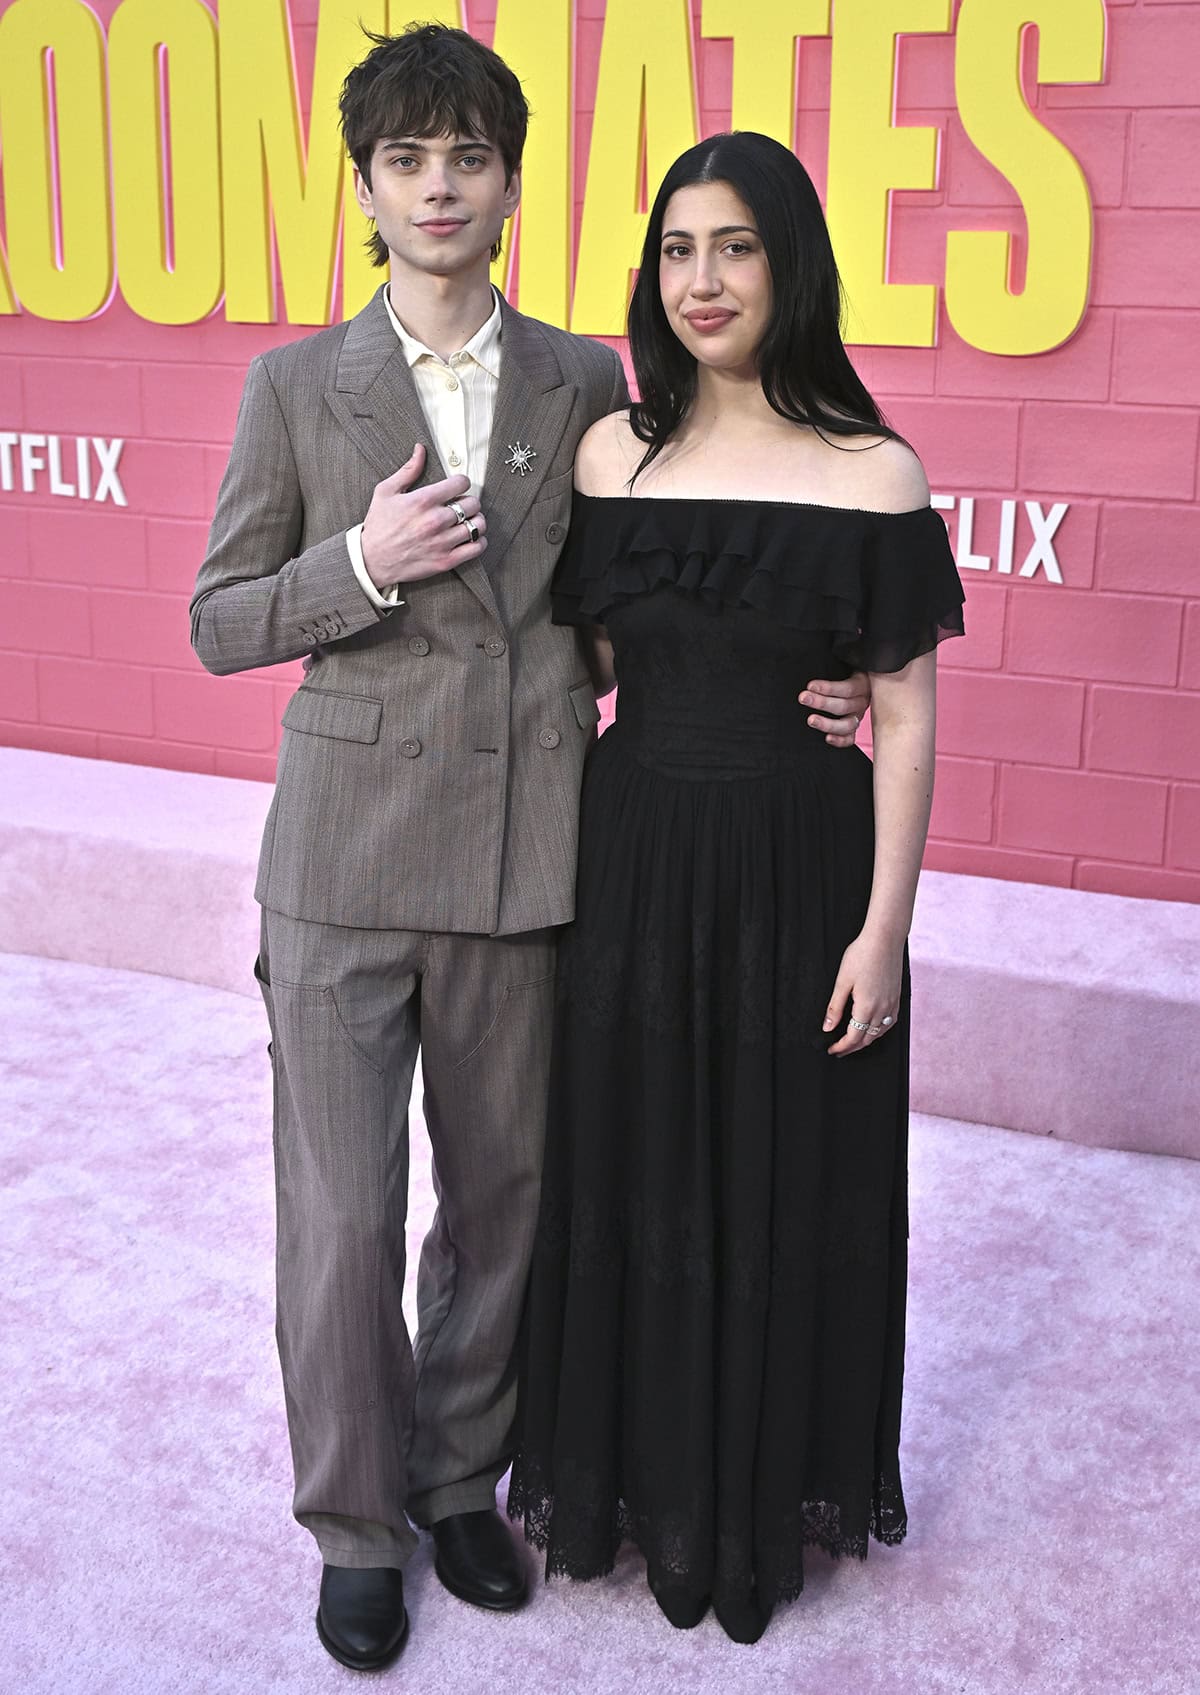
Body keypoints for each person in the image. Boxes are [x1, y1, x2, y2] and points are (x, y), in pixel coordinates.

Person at [189, 29, 871, 1672]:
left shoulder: (584, 380)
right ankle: (353, 1527)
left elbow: (639, 599)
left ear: (508, 181)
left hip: (522, 864)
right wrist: (356, 558)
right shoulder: (295, 386)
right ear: (364, 187)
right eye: (409, 158)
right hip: (344, 868)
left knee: (503, 1211)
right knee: (343, 1227)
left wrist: (794, 671)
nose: (441, 184)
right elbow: (217, 622)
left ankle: (452, 1484)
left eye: (469, 156)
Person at [508, 130, 965, 1645]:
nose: (701, 280)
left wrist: (886, 928)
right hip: (636, 863)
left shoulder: (873, 469)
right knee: (636, 1168)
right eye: (678, 249)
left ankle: (756, 1508)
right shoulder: (610, 455)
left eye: (736, 247)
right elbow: (592, 672)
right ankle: (642, 1478)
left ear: (792, 264)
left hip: (803, 871)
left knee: (784, 1176)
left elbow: (904, 715)